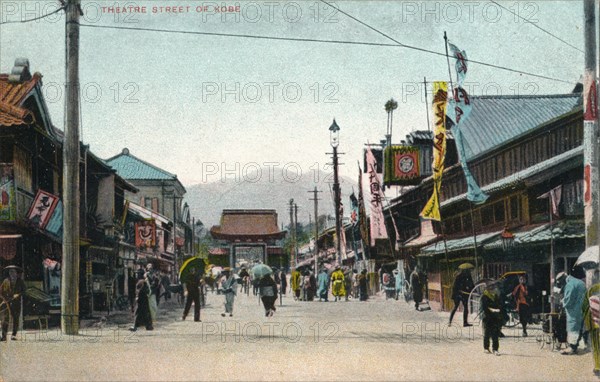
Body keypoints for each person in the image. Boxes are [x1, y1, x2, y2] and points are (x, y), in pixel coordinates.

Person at [558, 268, 587, 355]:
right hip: (583, 309)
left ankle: (572, 348)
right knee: (581, 328)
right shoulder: (580, 282)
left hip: (574, 311)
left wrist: (562, 301)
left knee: (573, 328)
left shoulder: (570, 284)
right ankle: (582, 345)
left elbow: (568, 300)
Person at [1, 267, 26, 341]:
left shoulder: (20, 281)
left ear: (16, 273)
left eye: (13, 272)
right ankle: (4, 336)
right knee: (5, 319)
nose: (12, 274)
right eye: (10, 272)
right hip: (7, 303)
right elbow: (1, 291)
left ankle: (14, 335)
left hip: (16, 303)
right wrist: (4, 299)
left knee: (16, 319)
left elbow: (24, 290)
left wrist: (18, 294)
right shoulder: (5, 281)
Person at [480, 281, 503, 356]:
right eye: (491, 287)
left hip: (495, 317)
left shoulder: (495, 296)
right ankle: (486, 348)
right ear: (487, 288)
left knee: (495, 333)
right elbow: (484, 307)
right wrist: (491, 310)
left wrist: (497, 310)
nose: (492, 289)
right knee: (487, 333)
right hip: (487, 317)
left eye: (493, 287)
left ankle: (495, 349)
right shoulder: (484, 296)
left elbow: (499, 305)